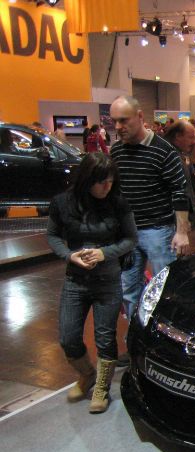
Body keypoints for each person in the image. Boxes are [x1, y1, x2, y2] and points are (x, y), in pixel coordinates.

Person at [46, 153, 137, 413]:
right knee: (68, 337)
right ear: (87, 179)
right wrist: (69, 255)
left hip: (108, 280)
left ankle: (102, 388)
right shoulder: (63, 203)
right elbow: (52, 235)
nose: (106, 187)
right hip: (75, 280)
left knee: (105, 338)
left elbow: (131, 239)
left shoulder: (118, 202)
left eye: (110, 181)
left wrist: (103, 253)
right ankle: (87, 374)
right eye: (101, 182)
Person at [109, 95, 190, 329]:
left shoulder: (164, 151)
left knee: (164, 289)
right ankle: (137, 335)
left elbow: (179, 192)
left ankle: (164, 337)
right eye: (114, 121)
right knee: (128, 290)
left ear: (140, 117)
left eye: (124, 120)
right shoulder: (117, 151)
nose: (118, 126)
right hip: (128, 233)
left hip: (159, 231)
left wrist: (181, 232)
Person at [163, 121, 195, 223]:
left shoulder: (174, 154)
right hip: (173, 221)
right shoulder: (171, 157)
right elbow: (179, 192)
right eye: (190, 137)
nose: (194, 142)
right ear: (178, 136)